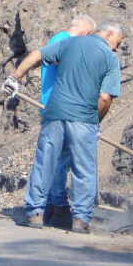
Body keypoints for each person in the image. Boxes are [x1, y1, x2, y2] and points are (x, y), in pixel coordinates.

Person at [3, 21, 124, 233]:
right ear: (109, 34)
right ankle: (80, 219)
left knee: (44, 163)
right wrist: (95, 122)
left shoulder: (70, 43)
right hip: (83, 120)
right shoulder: (109, 58)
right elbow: (104, 98)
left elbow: (36, 55)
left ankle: (35, 214)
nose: (116, 48)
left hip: (55, 114)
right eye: (118, 43)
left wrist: (16, 77)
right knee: (84, 170)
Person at [40, 15, 96, 228]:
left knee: (58, 159)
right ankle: (59, 206)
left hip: (57, 106)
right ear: (87, 34)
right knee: (60, 160)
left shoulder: (59, 39)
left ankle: (54, 207)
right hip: (59, 108)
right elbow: (59, 59)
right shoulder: (63, 39)